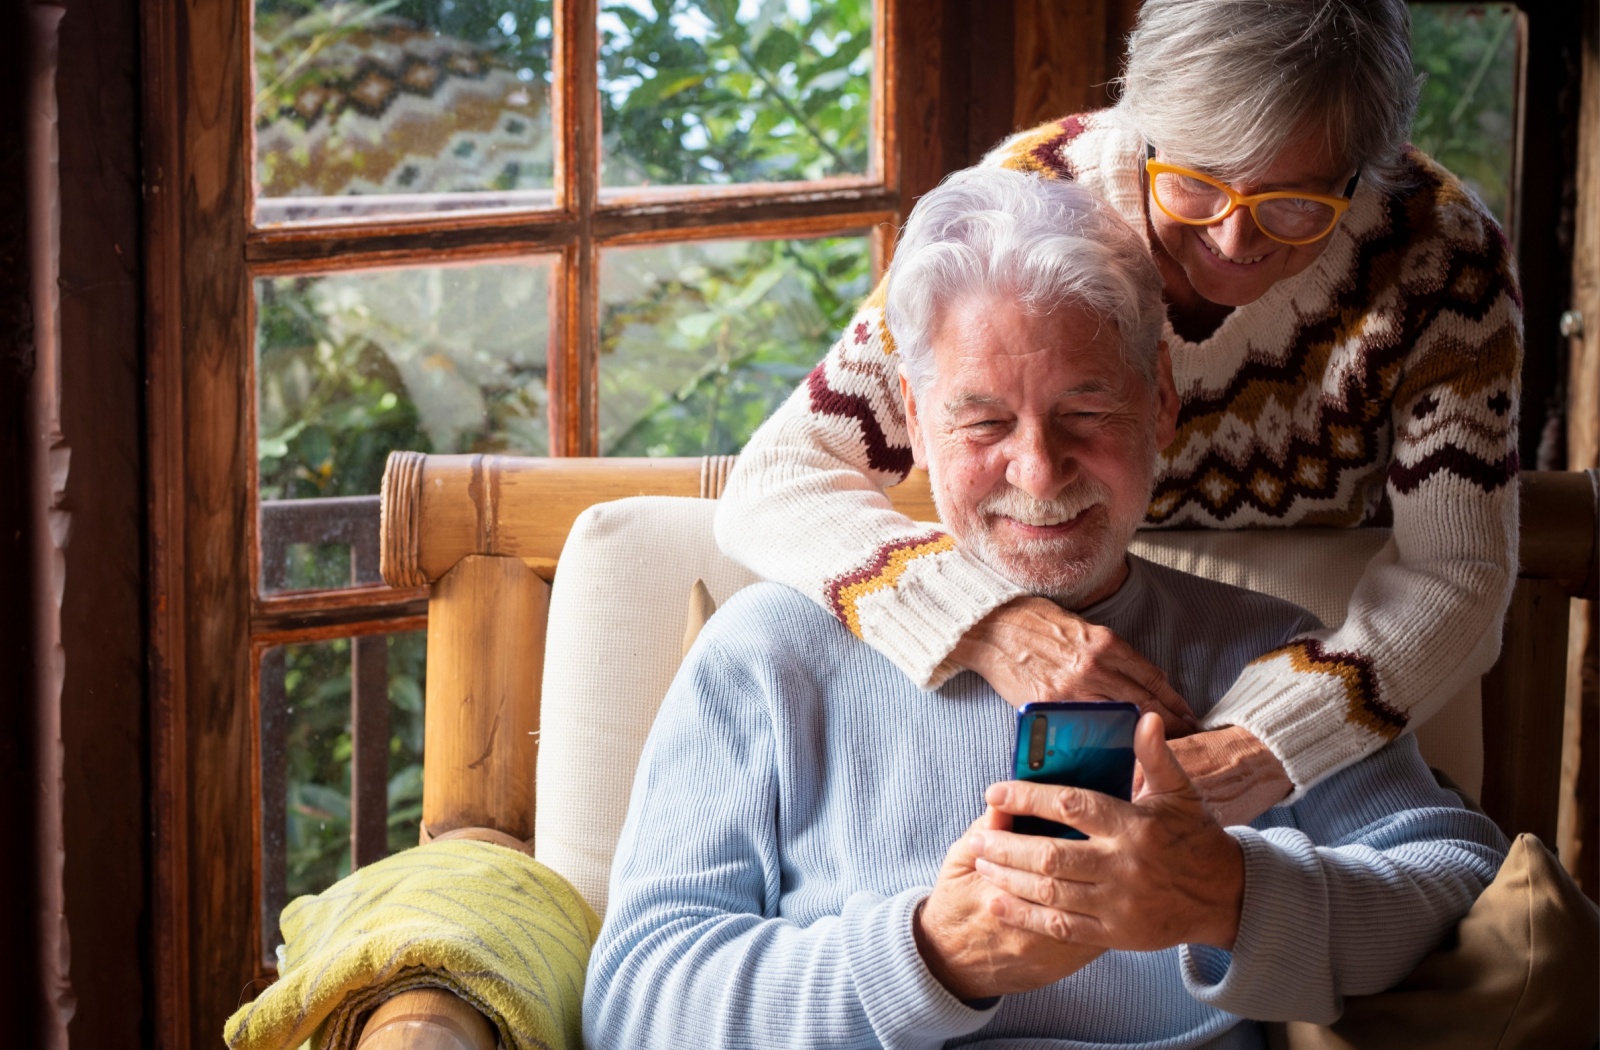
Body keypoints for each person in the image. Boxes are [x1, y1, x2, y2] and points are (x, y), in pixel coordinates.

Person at [586, 170, 1507, 1050]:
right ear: (912, 413)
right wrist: (931, 954)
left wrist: (1225, 894)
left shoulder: (1271, 658)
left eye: (1086, 411)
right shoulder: (769, 652)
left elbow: (1464, 894)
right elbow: (632, 1009)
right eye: (983, 422)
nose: (1038, 472)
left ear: (1160, 400)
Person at [714, 0, 1522, 823]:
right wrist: (989, 623)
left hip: (1309, 638)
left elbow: (1458, 570)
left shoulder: (1438, 256)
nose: (1236, 243)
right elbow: (780, 476)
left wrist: (1265, 744)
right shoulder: (1030, 204)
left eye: (1293, 204)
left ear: (1364, 171)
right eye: (1197, 185)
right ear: (1142, 126)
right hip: (1055, 588)